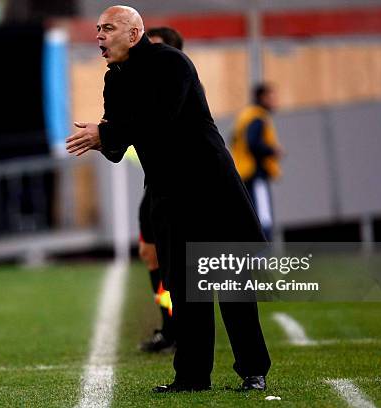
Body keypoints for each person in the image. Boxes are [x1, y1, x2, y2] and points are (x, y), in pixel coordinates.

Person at [66, 6, 271, 392]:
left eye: (108, 28)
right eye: (96, 30)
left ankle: (253, 371)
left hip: (211, 189)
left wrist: (107, 135)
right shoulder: (114, 80)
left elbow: (159, 119)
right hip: (169, 193)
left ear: (134, 32)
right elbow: (117, 141)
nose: (100, 37)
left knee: (230, 283)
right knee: (183, 287)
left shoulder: (172, 63)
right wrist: (99, 140)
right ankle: (192, 377)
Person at [137, 26, 184, 354]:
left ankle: (181, 327)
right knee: (150, 255)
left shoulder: (182, 84)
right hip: (153, 186)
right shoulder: (140, 86)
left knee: (179, 263)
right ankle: (169, 325)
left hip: (179, 188)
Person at [230, 83, 283, 240]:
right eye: (272, 97)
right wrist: (272, 150)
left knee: (252, 213)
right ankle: (262, 254)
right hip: (255, 173)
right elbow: (252, 143)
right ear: (262, 97)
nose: (275, 101)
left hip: (243, 172)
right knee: (263, 215)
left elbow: (233, 139)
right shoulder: (257, 117)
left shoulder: (245, 115)